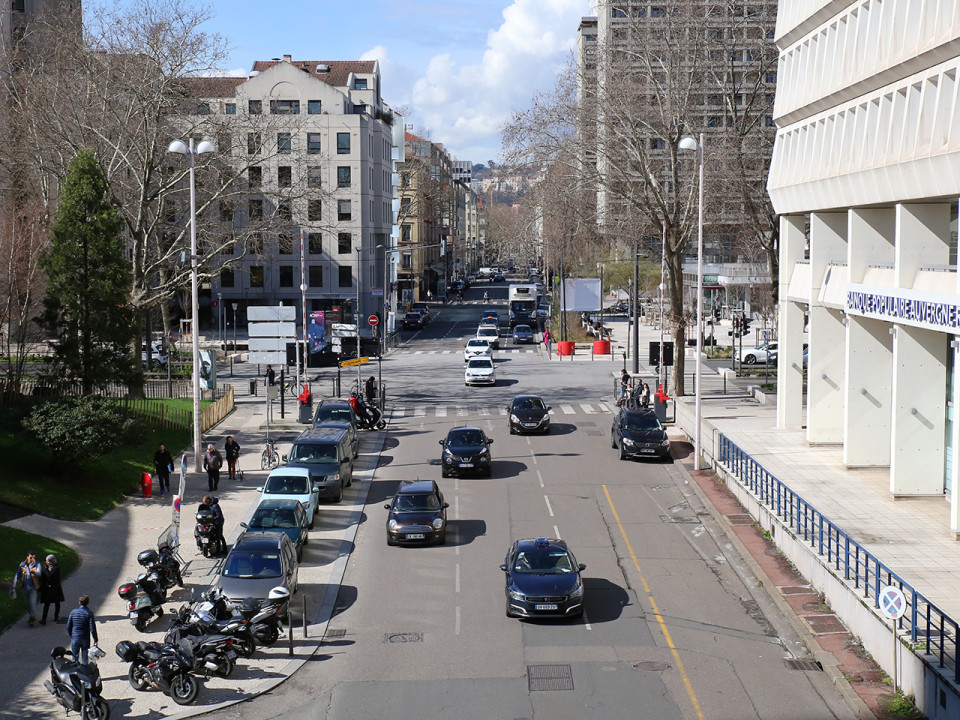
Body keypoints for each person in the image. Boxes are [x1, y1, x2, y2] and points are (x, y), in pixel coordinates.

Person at [66, 595, 98, 665]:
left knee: (75, 656)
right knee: (85, 656)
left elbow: (68, 626)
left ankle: (76, 670)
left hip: (75, 637)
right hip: (85, 637)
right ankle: (84, 671)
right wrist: (95, 639)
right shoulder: (89, 613)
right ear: (88, 603)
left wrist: (71, 636)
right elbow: (92, 628)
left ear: (79, 603)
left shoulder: (73, 612)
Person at [14, 552, 42, 627]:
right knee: (27, 603)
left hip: (33, 588)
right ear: (27, 557)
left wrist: (34, 572)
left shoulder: (37, 564)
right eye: (31, 557)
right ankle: (31, 616)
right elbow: (17, 574)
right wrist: (14, 585)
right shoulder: (22, 564)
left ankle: (32, 618)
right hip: (24, 588)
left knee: (32, 603)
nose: (32, 559)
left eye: (33, 557)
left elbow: (39, 573)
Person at [40, 554, 65, 625]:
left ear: (51, 561)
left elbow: (50, 576)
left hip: (55, 588)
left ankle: (56, 615)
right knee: (46, 604)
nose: (46, 562)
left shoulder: (56, 568)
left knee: (57, 602)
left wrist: (45, 570)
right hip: (48, 589)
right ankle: (43, 619)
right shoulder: (47, 568)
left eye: (47, 561)